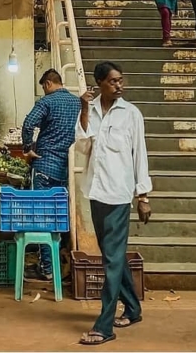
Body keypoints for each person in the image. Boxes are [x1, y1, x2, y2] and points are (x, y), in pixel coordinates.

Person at [76, 61, 151, 346]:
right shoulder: (91, 110)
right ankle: (132, 308)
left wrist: (142, 195)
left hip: (120, 195)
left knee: (112, 261)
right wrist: (84, 108)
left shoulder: (132, 114)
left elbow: (139, 155)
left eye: (121, 81)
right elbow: (82, 144)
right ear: (99, 84)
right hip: (96, 192)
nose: (120, 85)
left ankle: (104, 325)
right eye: (113, 81)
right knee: (111, 258)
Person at [21, 69, 81, 280]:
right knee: (58, 217)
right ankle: (55, 264)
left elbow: (29, 123)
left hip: (44, 166)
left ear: (47, 84)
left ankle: (47, 268)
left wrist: (28, 148)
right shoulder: (77, 103)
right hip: (66, 170)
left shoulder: (46, 102)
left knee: (42, 216)